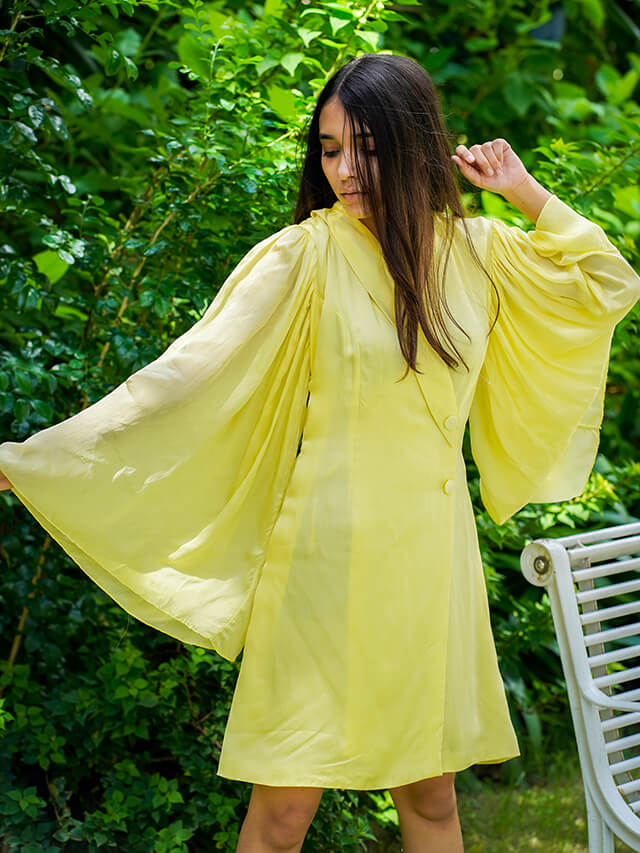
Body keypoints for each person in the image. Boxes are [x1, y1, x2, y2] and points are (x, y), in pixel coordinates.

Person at [1, 51, 639, 853]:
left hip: (432, 559)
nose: (344, 169)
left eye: (365, 147)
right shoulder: (304, 257)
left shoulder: (478, 252)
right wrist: (40, 454)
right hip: (324, 565)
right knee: (284, 808)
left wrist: (521, 191)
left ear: (410, 145)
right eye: (330, 149)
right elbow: (183, 377)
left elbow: (607, 284)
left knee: (435, 797)